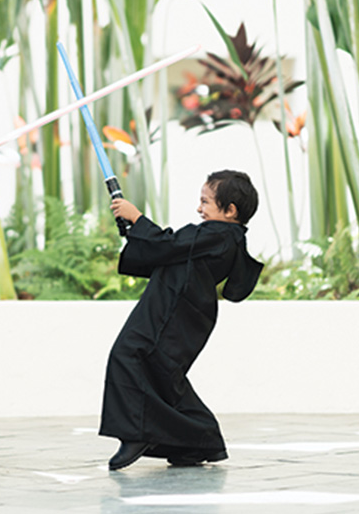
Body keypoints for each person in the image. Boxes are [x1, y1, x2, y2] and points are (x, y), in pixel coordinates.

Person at [101, 170, 263, 470]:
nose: (199, 209)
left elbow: (169, 244)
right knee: (164, 374)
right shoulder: (220, 236)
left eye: (205, 202)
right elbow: (169, 253)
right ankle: (198, 441)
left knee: (129, 355)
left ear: (230, 211)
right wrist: (135, 232)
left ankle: (137, 433)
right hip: (180, 311)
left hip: (171, 312)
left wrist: (137, 218)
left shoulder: (218, 234)